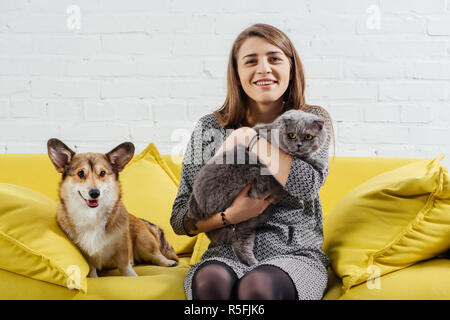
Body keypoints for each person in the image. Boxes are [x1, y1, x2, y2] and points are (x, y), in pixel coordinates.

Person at [170, 23, 333, 300]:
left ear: (291, 67)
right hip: (227, 250)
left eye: (274, 58)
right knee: (211, 282)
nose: (264, 69)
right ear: (237, 73)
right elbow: (180, 220)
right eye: (251, 61)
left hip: (293, 253)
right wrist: (231, 216)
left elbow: (307, 185)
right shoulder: (209, 127)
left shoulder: (310, 120)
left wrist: (252, 139)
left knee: (257, 288)